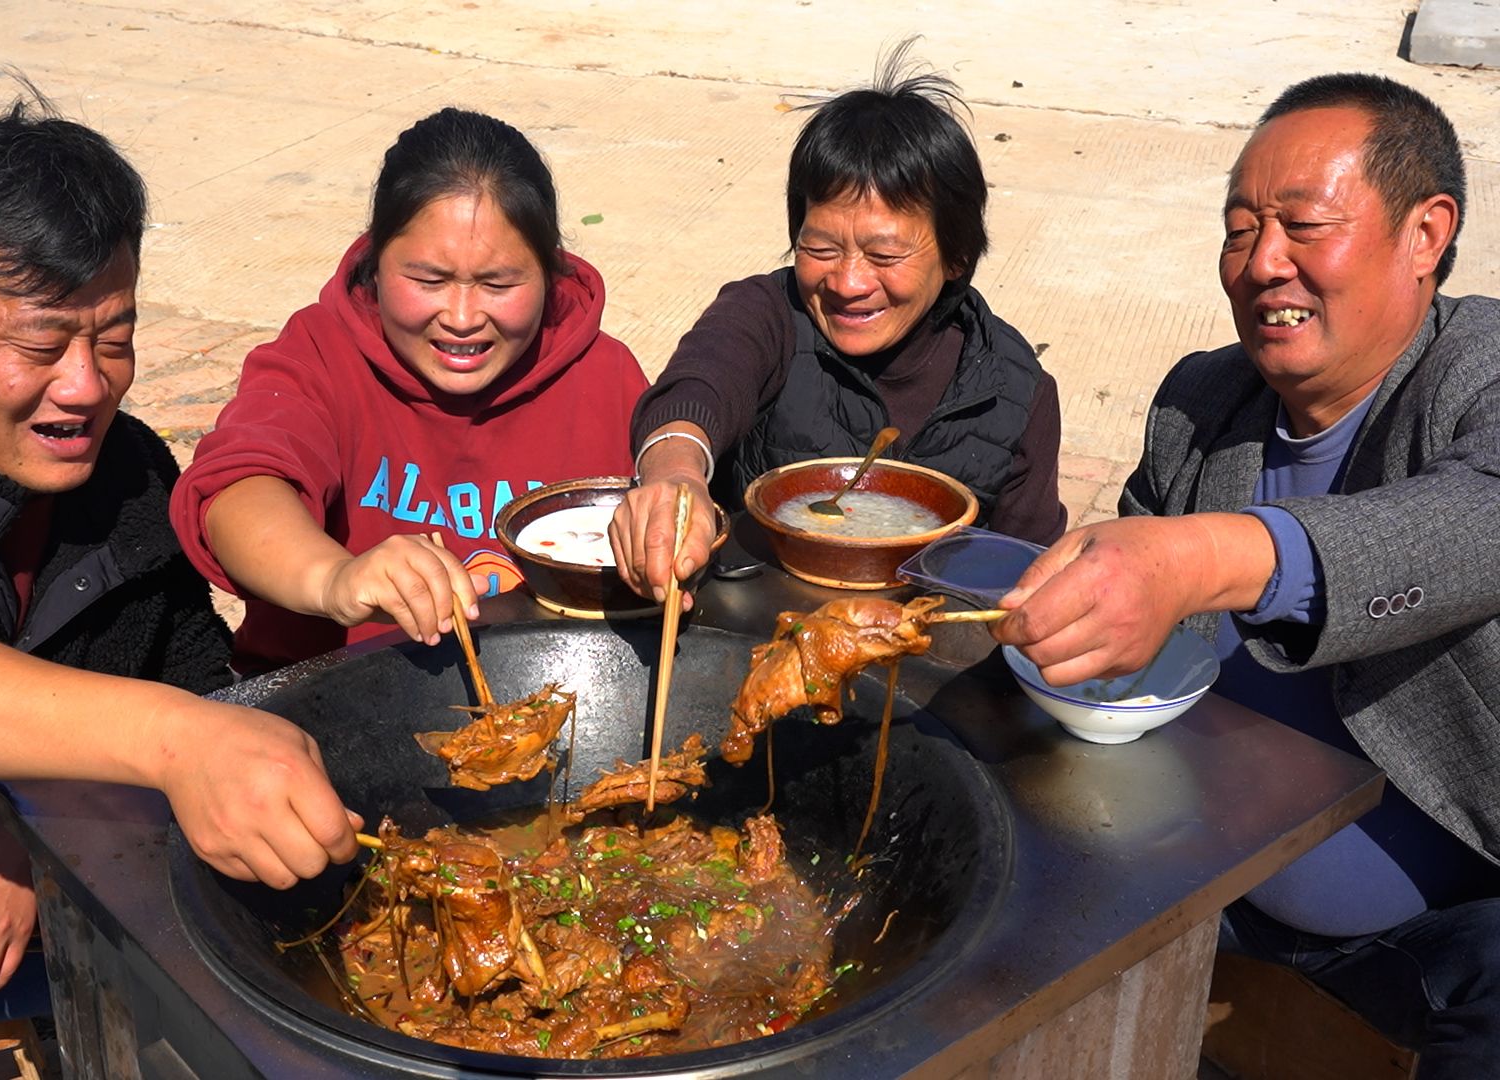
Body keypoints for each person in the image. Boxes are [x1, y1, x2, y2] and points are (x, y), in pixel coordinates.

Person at [0, 97, 362, 1078]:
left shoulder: (125, 471)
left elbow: (191, 678)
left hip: (64, 922)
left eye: (116, 337)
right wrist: (182, 745)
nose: (87, 386)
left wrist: (23, 843)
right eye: (41, 347)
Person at [994, 73, 1500, 1077]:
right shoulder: (1201, 403)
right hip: (1200, 879)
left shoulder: (1475, 371)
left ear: (1425, 234)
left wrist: (1208, 555)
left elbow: (1476, 520)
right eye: (1239, 230)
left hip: (1446, 925)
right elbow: (1126, 652)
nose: (1263, 263)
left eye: (1303, 226)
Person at [171, 108, 649, 674]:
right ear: (375, 264)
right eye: (428, 280)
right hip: (326, 700)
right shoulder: (321, 352)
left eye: (499, 283)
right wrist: (335, 578)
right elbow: (238, 489)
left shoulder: (605, 375)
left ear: (549, 271)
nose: (463, 317)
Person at [611, 43, 1066, 606]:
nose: (848, 283)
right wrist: (674, 475)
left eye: (885, 255)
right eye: (820, 247)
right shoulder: (769, 314)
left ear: (956, 257)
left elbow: (1027, 576)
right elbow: (701, 382)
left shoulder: (1016, 394)